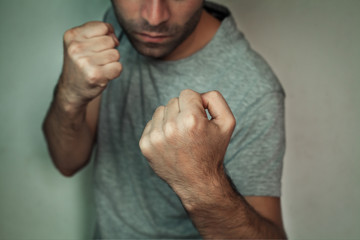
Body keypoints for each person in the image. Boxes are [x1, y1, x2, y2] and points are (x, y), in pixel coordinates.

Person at [43, 0, 287, 239]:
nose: (154, 17)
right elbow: (67, 161)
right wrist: (69, 94)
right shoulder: (115, 29)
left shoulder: (255, 89)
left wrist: (202, 185)